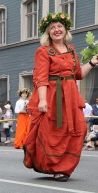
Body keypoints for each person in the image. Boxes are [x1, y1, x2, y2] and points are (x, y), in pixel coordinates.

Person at [23, 12, 98, 182]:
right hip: (53, 96)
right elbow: (41, 78)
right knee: (54, 132)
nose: (57, 30)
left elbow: (78, 74)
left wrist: (92, 63)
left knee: (79, 129)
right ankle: (57, 168)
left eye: (60, 27)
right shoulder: (43, 51)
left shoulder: (72, 51)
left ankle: (65, 167)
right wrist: (42, 100)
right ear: (47, 32)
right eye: (52, 28)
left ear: (65, 29)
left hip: (71, 96)